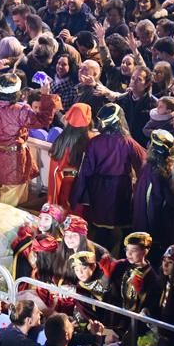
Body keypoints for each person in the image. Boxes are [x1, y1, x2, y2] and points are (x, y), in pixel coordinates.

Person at [0, 72, 60, 206]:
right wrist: (46, 96)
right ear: (18, 91)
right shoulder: (21, 110)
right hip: (14, 160)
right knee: (9, 205)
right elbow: (43, 120)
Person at [69, 104, 147, 250]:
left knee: (100, 229)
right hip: (121, 189)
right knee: (120, 225)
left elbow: (85, 171)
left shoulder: (94, 142)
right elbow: (144, 162)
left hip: (99, 189)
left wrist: (76, 196)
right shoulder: (127, 141)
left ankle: (100, 255)